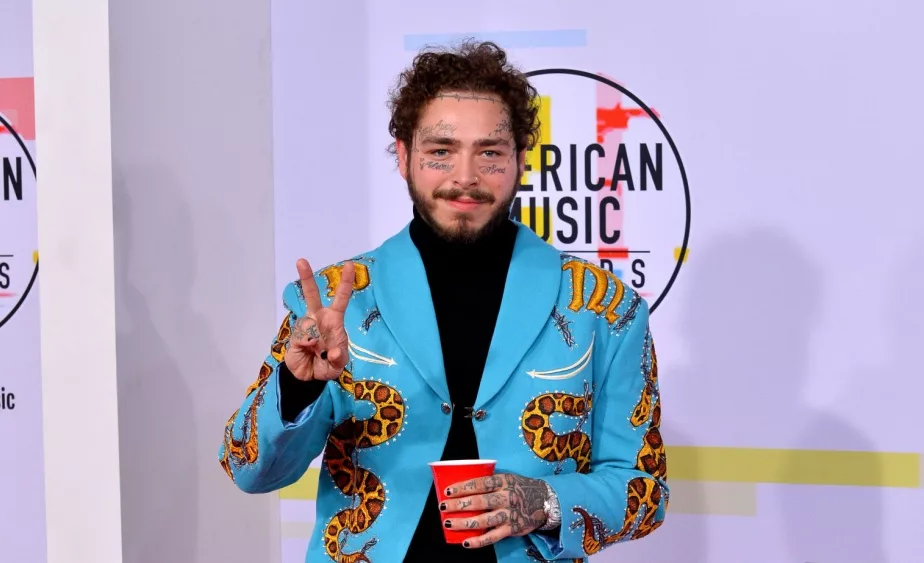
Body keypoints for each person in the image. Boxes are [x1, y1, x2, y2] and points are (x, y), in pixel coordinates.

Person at [219, 39, 668, 563]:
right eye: (441, 151)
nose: (465, 177)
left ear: (521, 160)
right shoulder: (336, 299)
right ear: (404, 156)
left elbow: (645, 491)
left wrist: (545, 502)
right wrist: (298, 386)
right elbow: (249, 469)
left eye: (490, 153)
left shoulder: (604, 307)